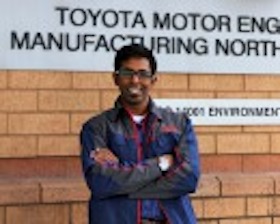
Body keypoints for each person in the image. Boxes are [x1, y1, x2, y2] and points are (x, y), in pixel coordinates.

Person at [80, 43, 200, 224]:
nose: (135, 80)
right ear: (116, 78)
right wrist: (161, 164)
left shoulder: (179, 124)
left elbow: (189, 179)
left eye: (143, 74)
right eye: (128, 73)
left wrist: (125, 184)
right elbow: (100, 182)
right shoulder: (97, 128)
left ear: (153, 80)